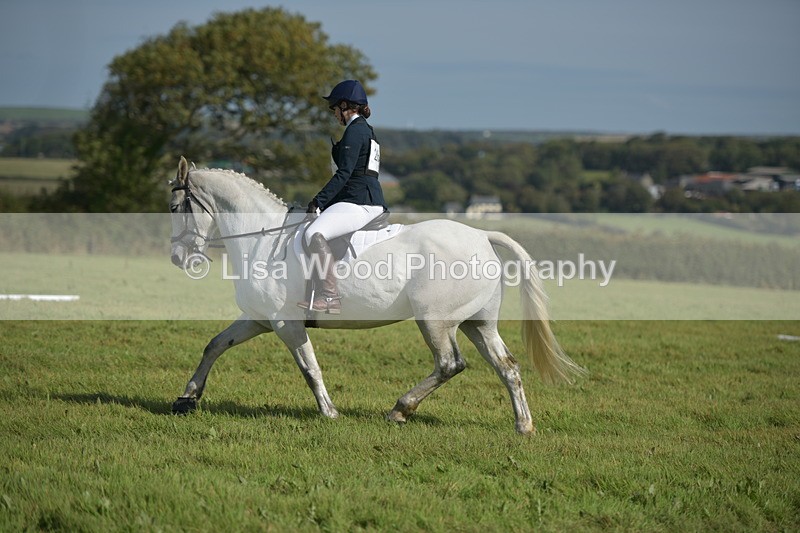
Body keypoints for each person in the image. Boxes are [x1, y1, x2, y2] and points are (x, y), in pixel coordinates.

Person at [298, 79, 387, 314]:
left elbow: (345, 174)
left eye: (334, 108)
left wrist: (319, 201)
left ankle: (330, 297)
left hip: (359, 201)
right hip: (367, 198)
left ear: (345, 106)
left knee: (313, 233)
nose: (334, 114)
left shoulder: (355, 131)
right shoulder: (368, 131)